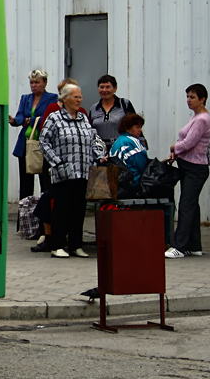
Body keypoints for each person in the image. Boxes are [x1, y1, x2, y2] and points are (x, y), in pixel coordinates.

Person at [38, 82, 98, 258]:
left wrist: (98, 154)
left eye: (80, 97)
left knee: (79, 210)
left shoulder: (83, 118)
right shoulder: (54, 118)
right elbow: (44, 142)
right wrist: (56, 162)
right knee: (62, 209)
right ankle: (57, 245)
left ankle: (76, 245)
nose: (80, 100)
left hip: (83, 170)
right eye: (76, 97)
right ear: (64, 99)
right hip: (64, 172)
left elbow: (94, 139)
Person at [165, 84, 210, 259]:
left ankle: (179, 246)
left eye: (192, 97)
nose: (188, 100)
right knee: (192, 204)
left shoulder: (202, 119)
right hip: (187, 165)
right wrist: (176, 152)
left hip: (196, 168)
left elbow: (188, 143)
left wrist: (173, 147)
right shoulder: (196, 117)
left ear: (202, 99)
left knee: (186, 204)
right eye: (187, 96)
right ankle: (194, 244)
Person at [9, 69, 58, 200]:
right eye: (31, 82)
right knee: (25, 184)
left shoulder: (52, 98)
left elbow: (49, 118)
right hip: (25, 144)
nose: (33, 85)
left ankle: (45, 215)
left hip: (43, 144)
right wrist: (15, 121)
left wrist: (30, 120)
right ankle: (24, 215)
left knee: (45, 183)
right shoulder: (25, 98)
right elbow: (20, 115)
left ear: (45, 83)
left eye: (37, 82)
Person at [91, 74, 137, 153]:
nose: (104, 90)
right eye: (101, 87)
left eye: (108, 87)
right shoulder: (94, 108)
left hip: (121, 149)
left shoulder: (124, 104)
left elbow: (135, 125)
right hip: (100, 152)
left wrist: (141, 143)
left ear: (115, 88)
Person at [109, 113, 148, 195]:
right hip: (133, 183)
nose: (140, 130)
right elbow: (142, 166)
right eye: (137, 127)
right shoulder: (133, 142)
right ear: (127, 129)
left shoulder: (117, 142)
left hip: (116, 185)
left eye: (141, 127)